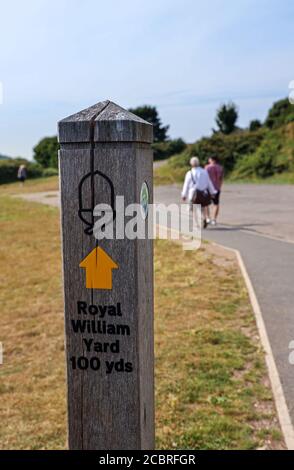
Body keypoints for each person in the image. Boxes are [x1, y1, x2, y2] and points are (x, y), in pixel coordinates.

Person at [181, 156, 216, 228]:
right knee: (203, 207)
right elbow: (209, 182)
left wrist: (184, 195)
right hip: (204, 193)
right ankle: (205, 218)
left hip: (194, 194)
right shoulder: (204, 171)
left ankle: (196, 223)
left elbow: (186, 185)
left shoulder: (189, 173)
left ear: (191, 164)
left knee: (194, 208)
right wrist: (212, 192)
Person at [205, 156, 224, 225]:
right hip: (217, 187)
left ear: (212, 160)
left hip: (208, 188)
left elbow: (205, 177)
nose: (208, 160)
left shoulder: (207, 167)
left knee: (206, 204)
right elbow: (221, 179)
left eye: (209, 159)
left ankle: (207, 218)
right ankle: (214, 219)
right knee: (216, 204)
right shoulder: (220, 168)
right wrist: (220, 186)